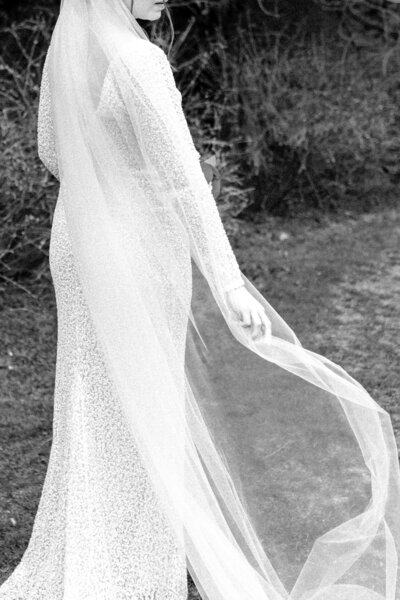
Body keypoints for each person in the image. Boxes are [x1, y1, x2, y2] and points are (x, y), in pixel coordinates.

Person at [1, 1, 400, 599]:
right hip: (135, 250)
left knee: (92, 404)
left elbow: (51, 151)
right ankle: (129, 572)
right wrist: (229, 278)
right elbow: (184, 178)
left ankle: (90, 556)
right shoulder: (139, 60)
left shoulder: (69, 51)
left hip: (78, 245)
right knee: (147, 411)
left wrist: (105, 173)